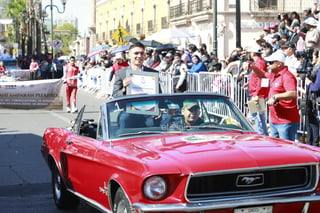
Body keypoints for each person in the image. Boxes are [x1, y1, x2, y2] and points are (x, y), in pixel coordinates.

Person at [249, 50, 300, 141]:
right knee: (255, 119)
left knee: (286, 149)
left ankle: (261, 137)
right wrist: (253, 67)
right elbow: (262, 75)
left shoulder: (287, 76)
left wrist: (276, 97)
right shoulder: (273, 74)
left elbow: (293, 93)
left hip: (285, 120)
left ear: (279, 64)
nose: (268, 64)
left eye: (270, 62)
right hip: (274, 119)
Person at [244, 45, 269, 136]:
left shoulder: (259, 63)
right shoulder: (259, 63)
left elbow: (261, 78)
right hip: (256, 92)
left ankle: (259, 134)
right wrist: (249, 83)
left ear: (253, 53)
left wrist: (257, 93)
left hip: (257, 93)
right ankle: (262, 134)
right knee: (258, 115)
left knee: (255, 115)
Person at [305, 48, 320, 146]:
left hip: (317, 101)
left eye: (312, 56)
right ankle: (311, 144)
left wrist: (309, 83)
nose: (311, 59)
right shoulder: (316, 68)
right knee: (310, 122)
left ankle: (314, 145)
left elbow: (316, 87)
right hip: (312, 100)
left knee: (315, 123)